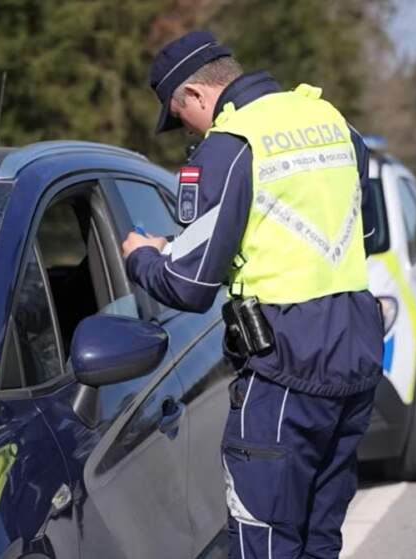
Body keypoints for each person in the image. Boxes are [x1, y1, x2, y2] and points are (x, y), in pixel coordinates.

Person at [121, 31, 384, 558]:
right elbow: (370, 235)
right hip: (356, 357)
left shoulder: (230, 144)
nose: (189, 132)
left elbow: (188, 287)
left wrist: (141, 256)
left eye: (180, 117)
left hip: (286, 367)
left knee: (264, 542)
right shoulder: (332, 120)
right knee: (319, 537)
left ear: (195, 95)